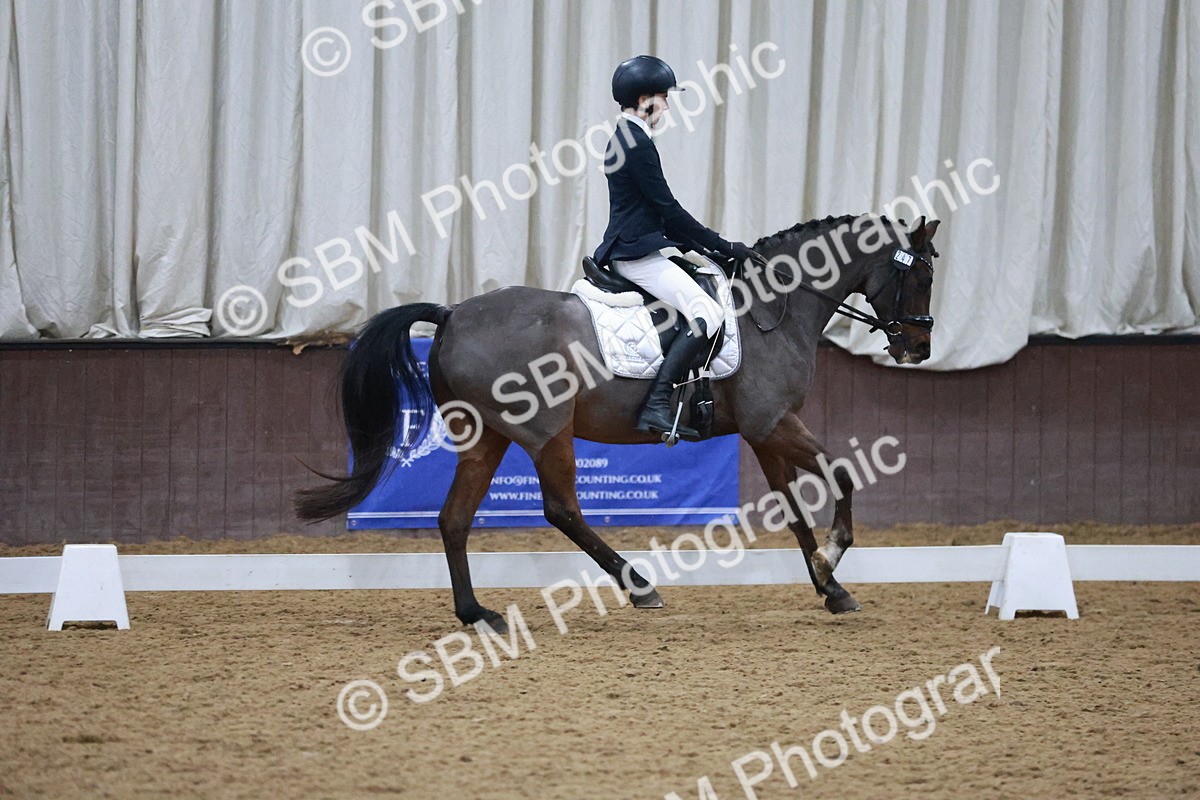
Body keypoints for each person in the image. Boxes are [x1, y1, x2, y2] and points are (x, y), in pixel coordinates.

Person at [593, 54, 765, 438]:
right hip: (636, 254)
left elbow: (660, 214)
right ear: (643, 99)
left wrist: (709, 251)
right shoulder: (634, 142)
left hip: (640, 247)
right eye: (663, 98)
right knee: (707, 311)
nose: (667, 106)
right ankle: (656, 405)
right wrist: (722, 244)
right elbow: (668, 209)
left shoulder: (630, 137)